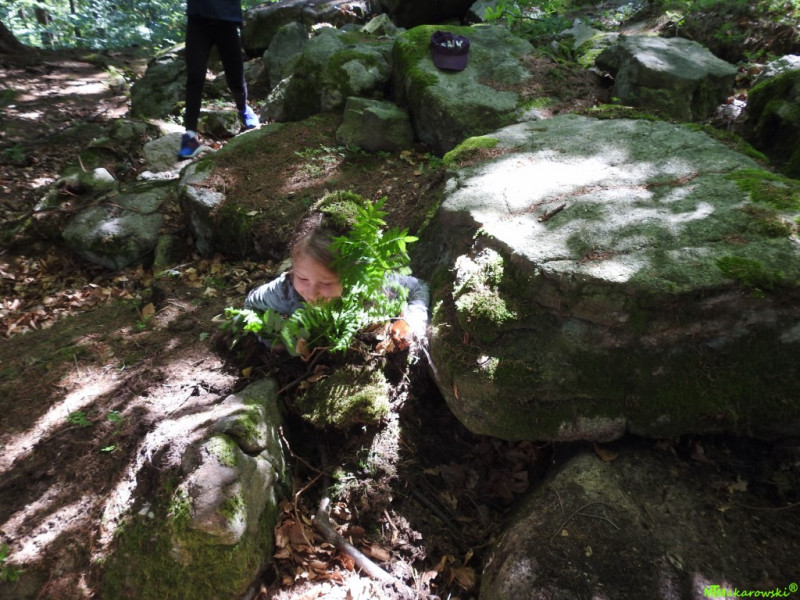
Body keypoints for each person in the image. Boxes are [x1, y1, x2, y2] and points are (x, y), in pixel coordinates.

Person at [244, 208, 429, 346]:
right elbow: (251, 305)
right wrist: (273, 340)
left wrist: (411, 322)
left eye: (326, 283)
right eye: (303, 279)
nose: (312, 293)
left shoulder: (373, 287)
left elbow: (418, 287)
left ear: (353, 276)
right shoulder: (286, 291)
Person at [177, 0, 260, 159]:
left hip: (227, 20)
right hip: (198, 19)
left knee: (235, 76)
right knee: (194, 77)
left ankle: (244, 110)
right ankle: (190, 136)